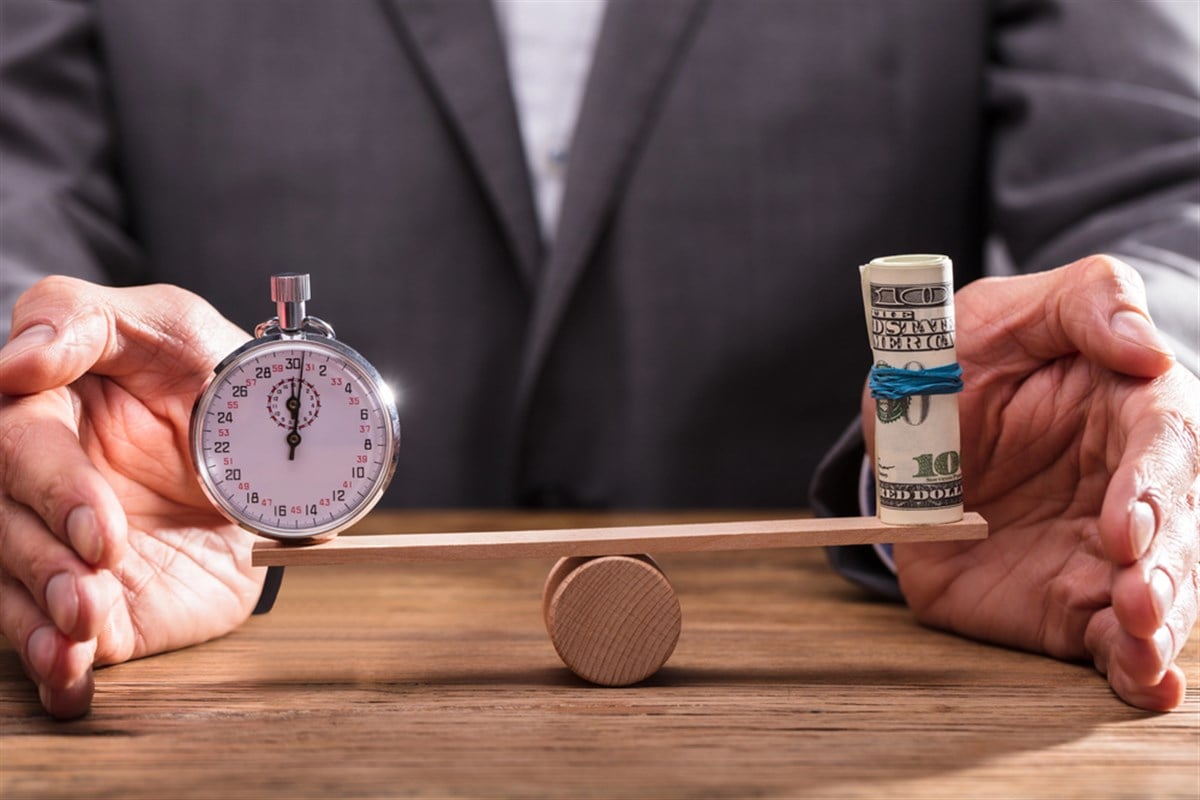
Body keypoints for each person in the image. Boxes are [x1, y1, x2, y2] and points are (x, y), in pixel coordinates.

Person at [0, 0, 1196, 719]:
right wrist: (39, 408)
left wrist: (1141, 386)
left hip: (885, 669)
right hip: (233, 670)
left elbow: (1167, 193)